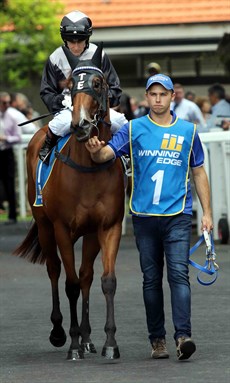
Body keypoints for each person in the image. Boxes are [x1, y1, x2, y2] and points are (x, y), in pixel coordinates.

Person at [85, 74, 213, 361]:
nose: (157, 99)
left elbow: (199, 171)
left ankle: (183, 337)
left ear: (171, 97)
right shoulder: (132, 129)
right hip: (143, 216)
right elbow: (107, 154)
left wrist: (207, 212)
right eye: (152, 94)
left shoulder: (188, 131)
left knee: (179, 275)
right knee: (151, 280)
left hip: (178, 215)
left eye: (163, 94)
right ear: (146, 97)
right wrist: (94, 152)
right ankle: (157, 340)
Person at [39, 10, 124, 164]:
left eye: (81, 41)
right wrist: (62, 102)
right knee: (60, 124)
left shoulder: (99, 55)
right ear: (65, 40)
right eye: (72, 41)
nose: (76, 46)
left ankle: (127, 158)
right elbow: (46, 91)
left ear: (87, 38)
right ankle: (47, 148)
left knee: (122, 123)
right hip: (68, 108)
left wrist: (100, 102)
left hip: (98, 106)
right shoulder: (55, 58)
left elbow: (115, 88)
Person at [0, 91, 21, 224]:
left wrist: (6, 138)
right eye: (4, 102)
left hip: (6, 152)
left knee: (9, 183)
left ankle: (12, 214)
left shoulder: (12, 117)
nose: (7, 105)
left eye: (8, 102)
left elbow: (18, 137)